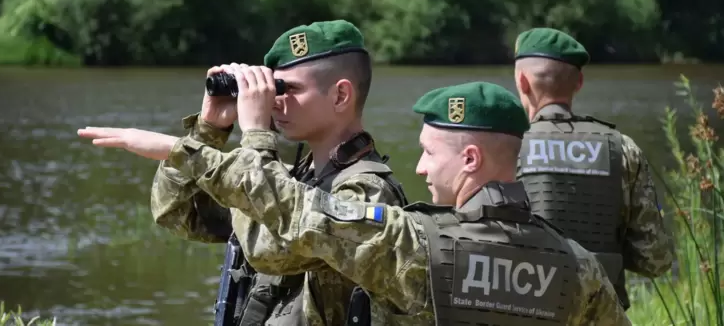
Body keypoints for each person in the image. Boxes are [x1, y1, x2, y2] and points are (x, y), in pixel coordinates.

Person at [84, 80, 631, 325]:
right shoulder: (575, 266)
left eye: (427, 154)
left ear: (469, 160)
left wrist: (187, 149)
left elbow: (307, 217)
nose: (417, 169)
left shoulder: (419, 246)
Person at [78, 20, 409, 326]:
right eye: (272, 88)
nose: (274, 101)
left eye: (288, 89)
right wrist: (209, 128)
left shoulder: (367, 193)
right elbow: (176, 212)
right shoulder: (291, 181)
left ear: (340, 95)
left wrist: (252, 136)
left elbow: (269, 252)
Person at [512, 27, 674, 310]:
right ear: (579, 82)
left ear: (522, 82)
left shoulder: (507, 147)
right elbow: (655, 259)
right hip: (602, 313)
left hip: (528, 311)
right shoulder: (622, 149)